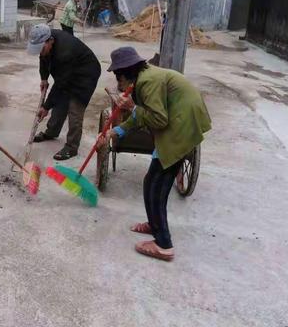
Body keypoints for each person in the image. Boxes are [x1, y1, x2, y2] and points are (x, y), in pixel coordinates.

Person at [101, 46, 211, 261]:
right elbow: (141, 117)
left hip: (181, 126)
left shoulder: (147, 82)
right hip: (180, 120)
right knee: (154, 181)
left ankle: (164, 244)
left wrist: (132, 106)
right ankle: (154, 224)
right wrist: (116, 130)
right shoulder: (144, 77)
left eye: (118, 78)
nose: (118, 84)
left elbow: (158, 119)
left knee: (155, 184)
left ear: (125, 73)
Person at [27, 24, 101, 160]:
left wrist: (46, 106)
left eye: (41, 48)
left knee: (74, 108)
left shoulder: (64, 52)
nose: (40, 52)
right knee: (60, 103)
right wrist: (44, 78)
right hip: (69, 71)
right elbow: (43, 58)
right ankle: (52, 132)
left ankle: (72, 147)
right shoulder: (46, 40)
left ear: (50, 41)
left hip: (85, 74)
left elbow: (60, 84)